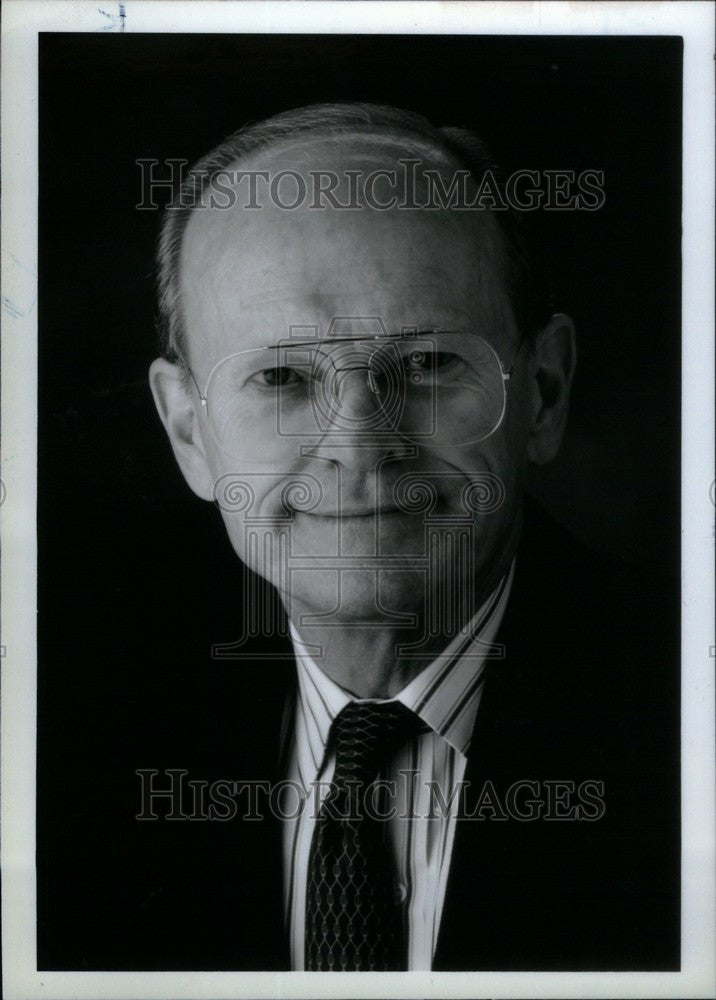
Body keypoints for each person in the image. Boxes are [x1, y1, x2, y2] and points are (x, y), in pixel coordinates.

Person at [75, 103, 679, 973]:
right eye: (281, 377)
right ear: (187, 433)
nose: (358, 442)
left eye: (428, 364)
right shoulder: (75, 735)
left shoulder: (681, 715)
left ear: (542, 392)